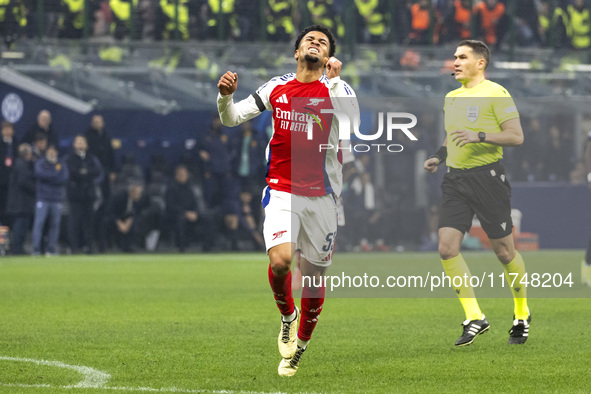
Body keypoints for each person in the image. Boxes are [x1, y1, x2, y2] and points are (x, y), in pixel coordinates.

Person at [217, 25, 357, 376]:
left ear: (328, 57)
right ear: (297, 52)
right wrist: (224, 97)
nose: (315, 43)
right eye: (309, 39)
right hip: (282, 189)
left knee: (312, 276)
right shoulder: (276, 86)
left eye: (322, 42)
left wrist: (336, 83)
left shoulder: (336, 87)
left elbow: (350, 124)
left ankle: (302, 344)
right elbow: (233, 118)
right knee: (281, 262)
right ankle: (287, 316)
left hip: (323, 195)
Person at [423, 40, 530, 346]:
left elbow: (516, 136)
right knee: (446, 248)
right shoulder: (452, 97)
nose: (454, 62)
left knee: (505, 253)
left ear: (480, 63)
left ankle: (521, 314)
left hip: (488, 179)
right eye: (454, 57)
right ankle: (475, 317)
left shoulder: (496, 93)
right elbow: (452, 136)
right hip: (455, 180)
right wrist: (439, 157)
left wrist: (480, 135)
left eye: (462, 57)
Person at [65, 135, 104, 254]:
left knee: (89, 223)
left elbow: (97, 171)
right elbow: (72, 172)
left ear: (86, 145)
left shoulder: (91, 158)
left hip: (89, 195)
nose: (81, 144)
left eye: (83, 142)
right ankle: (74, 247)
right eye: (78, 142)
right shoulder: (69, 158)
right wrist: (85, 174)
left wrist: (83, 173)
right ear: (74, 144)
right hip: (75, 195)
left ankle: (89, 247)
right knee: (74, 222)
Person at [32, 145, 69, 256]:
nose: (52, 153)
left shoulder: (61, 164)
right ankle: (36, 249)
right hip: (42, 198)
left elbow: (64, 178)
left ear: (57, 152)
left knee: (55, 224)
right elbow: (39, 174)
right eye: (50, 151)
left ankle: (51, 249)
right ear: (46, 152)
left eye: (54, 151)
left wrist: (49, 177)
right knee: (39, 223)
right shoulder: (40, 163)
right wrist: (55, 176)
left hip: (57, 198)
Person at [6, 143, 36, 255]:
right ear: (28, 154)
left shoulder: (19, 164)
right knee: (20, 227)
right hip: (21, 203)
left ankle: (19, 248)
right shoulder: (22, 165)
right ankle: (17, 249)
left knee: (21, 226)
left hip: (20, 202)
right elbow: (24, 182)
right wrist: (37, 188)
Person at [0, 121, 16, 225]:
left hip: (11, 184)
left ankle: (3, 240)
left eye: (9, 128)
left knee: (7, 214)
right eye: (4, 129)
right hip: (1, 183)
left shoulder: (16, 144)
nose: (7, 131)